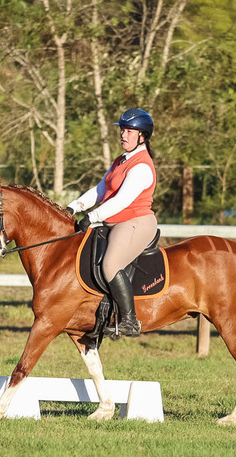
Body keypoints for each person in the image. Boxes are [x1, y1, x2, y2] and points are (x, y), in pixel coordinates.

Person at [67, 107, 158, 337]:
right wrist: (75, 206)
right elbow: (101, 189)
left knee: (110, 264)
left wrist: (92, 217)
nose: (123, 135)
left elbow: (122, 200)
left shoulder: (141, 166)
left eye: (129, 131)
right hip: (117, 221)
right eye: (122, 130)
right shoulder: (121, 160)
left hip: (136, 222)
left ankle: (129, 321)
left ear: (142, 136)